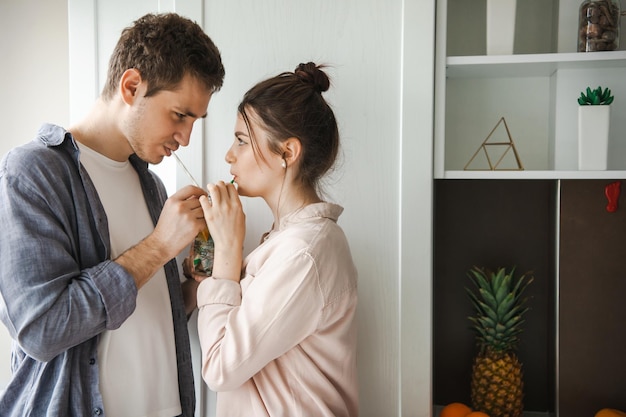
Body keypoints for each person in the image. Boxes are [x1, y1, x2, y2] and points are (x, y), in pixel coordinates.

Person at [0, 13, 224, 417]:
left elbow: (146, 317)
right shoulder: (32, 172)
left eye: (195, 120)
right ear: (132, 86)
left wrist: (192, 288)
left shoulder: (152, 187)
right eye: (179, 115)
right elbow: (41, 329)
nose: (187, 138)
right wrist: (159, 246)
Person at [189, 62, 359, 417]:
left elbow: (221, 367)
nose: (228, 155)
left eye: (241, 140)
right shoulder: (289, 241)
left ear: (288, 152)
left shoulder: (303, 254)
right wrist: (215, 265)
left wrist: (229, 254)